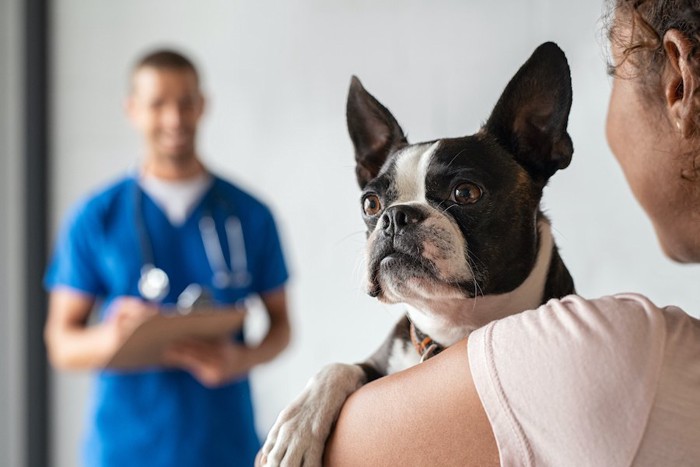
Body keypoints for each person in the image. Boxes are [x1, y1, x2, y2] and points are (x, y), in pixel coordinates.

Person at [322, 1, 700, 465]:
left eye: (463, 193)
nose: (394, 221)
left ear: (679, 83)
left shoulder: (593, 348)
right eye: (376, 204)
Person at [44, 49, 291, 467]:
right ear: (133, 110)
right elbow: (60, 344)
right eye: (158, 104)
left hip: (224, 445)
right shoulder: (97, 217)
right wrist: (114, 338)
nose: (174, 119)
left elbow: (281, 327)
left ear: (203, 106)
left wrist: (240, 359)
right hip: (125, 450)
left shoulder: (249, 214)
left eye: (186, 102)